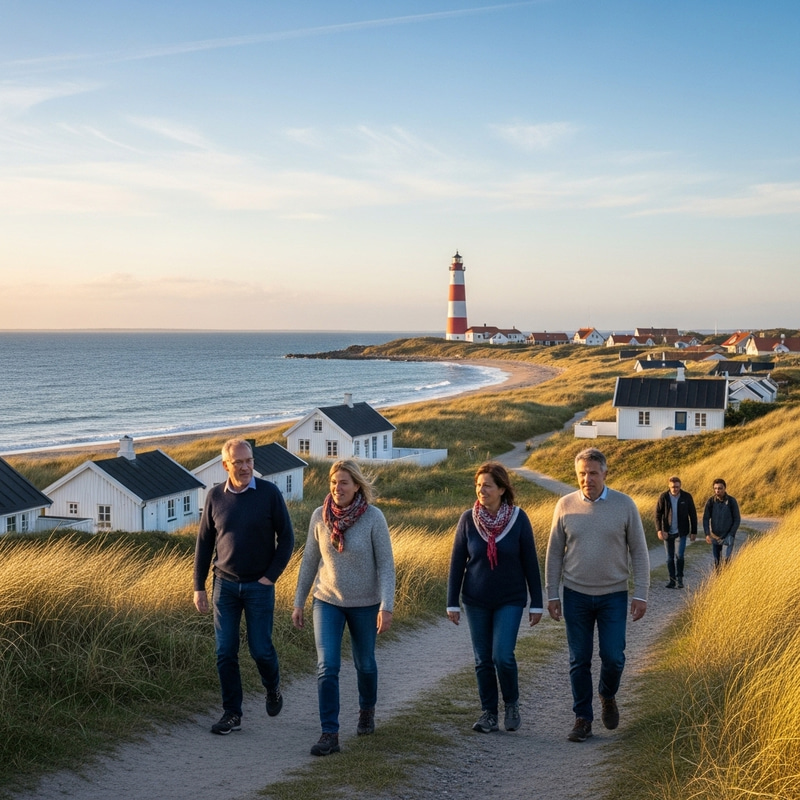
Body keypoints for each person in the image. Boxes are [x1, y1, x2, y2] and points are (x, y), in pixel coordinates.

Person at [545, 447, 649, 743]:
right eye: (581, 474)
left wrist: (640, 594)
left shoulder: (624, 505)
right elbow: (554, 554)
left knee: (613, 657)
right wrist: (552, 594)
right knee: (579, 659)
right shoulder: (565, 506)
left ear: (605, 472)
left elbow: (640, 552)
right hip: (575, 593)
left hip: (613, 595)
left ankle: (607, 694)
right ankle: (582, 719)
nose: (586, 479)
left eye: (592, 473)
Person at [293, 460, 395, 757]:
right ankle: (330, 733)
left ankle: (366, 710)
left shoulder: (374, 518)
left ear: (357, 486)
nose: (338, 488)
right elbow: (309, 562)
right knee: (328, 666)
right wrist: (299, 601)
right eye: (334, 482)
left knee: (365, 664)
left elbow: (387, 566)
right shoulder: (318, 517)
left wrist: (386, 606)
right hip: (326, 601)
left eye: (344, 483)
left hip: (366, 603)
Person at [193, 438, 294, 735]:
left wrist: (270, 576)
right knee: (225, 651)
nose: (247, 466)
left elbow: (286, 538)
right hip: (224, 585)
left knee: (261, 650)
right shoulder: (214, 497)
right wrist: (198, 586)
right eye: (239, 462)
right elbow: (203, 544)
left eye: (249, 460)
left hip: (260, 586)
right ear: (226, 465)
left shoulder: (269, 494)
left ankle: (272, 687)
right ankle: (232, 713)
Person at [447, 461, 543, 734]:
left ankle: (511, 704)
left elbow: (530, 563)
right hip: (475, 600)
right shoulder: (468, 519)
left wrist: (536, 602)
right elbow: (457, 563)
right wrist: (452, 601)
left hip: (510, 600)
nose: (481, 490)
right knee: (482, 659)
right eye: (478, 485)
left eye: (487, 486)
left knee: (502, 655)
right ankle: (489, 713)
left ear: (502, 489)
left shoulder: (519, 519)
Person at [655, 476, 698, 589]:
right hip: (667, 532)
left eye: (677, 487)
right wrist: (659, 530)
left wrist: (694, 531)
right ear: (669, 486)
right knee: (669, 558)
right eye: (673, 487)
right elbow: (658, 515)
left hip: (681, 532)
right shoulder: (663, 497)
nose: (675, 489)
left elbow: (693, 514)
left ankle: (680, 579)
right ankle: (672, 580)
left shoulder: (686, 497)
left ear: (680, 486)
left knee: (679, 556)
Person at [703, 478, 741, 568]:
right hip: (715, 535)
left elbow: (737, 519)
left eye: (720, 488)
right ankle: (719, 579)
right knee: (717, 562)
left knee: (727, 561)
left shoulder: (732, 501)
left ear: (725, 488)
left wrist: (731, 534)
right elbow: (705, 518)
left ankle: (728, 579)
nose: (717, 490)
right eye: (715, 488)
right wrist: (707, 534)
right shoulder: (711, 501)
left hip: (728, 535)